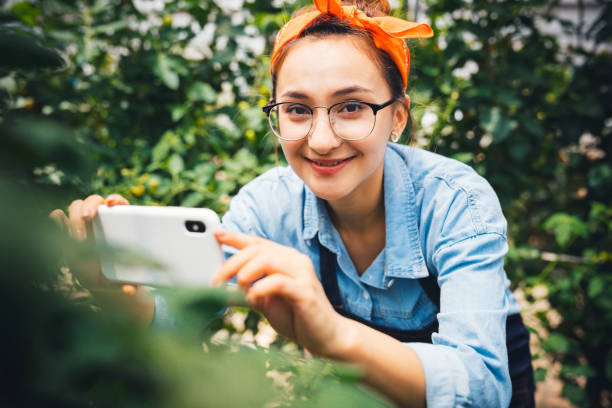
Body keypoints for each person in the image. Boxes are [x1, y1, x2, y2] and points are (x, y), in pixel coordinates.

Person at [51, 0, 535, 406]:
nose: (321, 140)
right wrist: (116, 294)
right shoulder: (267, 207)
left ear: (398, 117)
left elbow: (485, 387)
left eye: (351, 107)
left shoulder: (455, 202)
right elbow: (183, 315)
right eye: (298, 110)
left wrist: (334, 335)